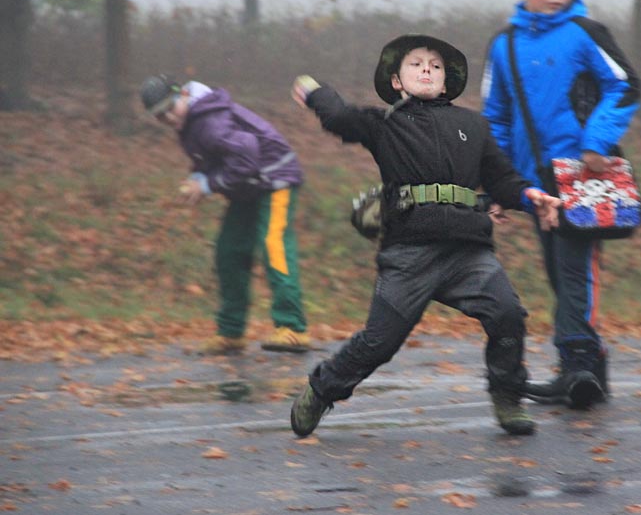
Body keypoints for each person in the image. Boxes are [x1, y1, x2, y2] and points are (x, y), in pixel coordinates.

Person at [287, 34, 563, 437]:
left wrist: (529, 195)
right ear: (397, 81)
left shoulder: (474, 125)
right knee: (379, 343)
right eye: (416, 64)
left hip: (468, 254)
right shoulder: (385, 125)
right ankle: (321, 389)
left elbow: (502, 180)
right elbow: (339, 117)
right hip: (409, 254)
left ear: (447, 81)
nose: (427, 70)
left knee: (507, 314)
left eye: (435, 66)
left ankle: (507, 398)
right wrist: (316, 94)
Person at [481, 0, 641, 408]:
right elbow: (495, 117)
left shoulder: (584, 32)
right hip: (533, 184)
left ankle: (577, 366)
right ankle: (592, 367)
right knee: (559, 273)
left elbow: (626, 84)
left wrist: (597, 141)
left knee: (576, 270)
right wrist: (497, 182)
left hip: (582, 177)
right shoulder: (503, 45)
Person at [139, 75, 311, 355]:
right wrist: (197, 177)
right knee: (229, 251)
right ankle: (231, 332)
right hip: (247, 188)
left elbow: (247, 157)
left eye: (170, 108)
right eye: (160, 116)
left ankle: (293, 329)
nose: (168, 117)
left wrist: (206, 185)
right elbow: (210, 158)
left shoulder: (208, 121)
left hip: (275, 177)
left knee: (273, 245)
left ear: (182, 94)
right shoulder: (190, 124)